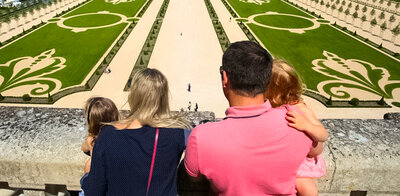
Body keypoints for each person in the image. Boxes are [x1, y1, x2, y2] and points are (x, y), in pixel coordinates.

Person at [184, 41, 322, 195]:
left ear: (225, 78)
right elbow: (316, 149)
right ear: (267, 78)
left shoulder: (202, 136)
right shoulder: (297, 120)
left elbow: (194, 178)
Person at [81, 68, 191, 196]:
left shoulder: (107, 135)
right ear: (163, 97)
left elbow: (94, 192)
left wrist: (86, 176)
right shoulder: (179, 132)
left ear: (133, 96)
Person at [265, 59, 328, 196]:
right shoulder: (269, 106)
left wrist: (307, 126)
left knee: (310, 191)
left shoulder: (300, 108)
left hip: (300, 160)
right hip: (283, 157)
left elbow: (323, 135)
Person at [80, 97, 120, 195]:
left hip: (95, 183)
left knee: (88, 167)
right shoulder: (120, 136)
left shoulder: (93, 140)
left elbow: (84, 148)